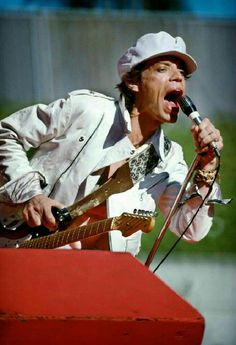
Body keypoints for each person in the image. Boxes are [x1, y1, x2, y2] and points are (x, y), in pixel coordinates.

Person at [0, 31, 226, 254]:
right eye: (162, 68)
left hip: (94, 278)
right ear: (132, 81)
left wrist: (206, 172)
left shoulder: (169, 157)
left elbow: (191, 230)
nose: (178, 77)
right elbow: (6, 133)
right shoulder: (87, 110)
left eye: (182, 74)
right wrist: (31, 196)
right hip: (19, 250)